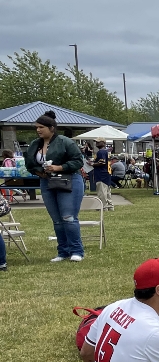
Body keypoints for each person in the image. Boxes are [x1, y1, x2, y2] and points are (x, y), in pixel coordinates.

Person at [25, 110, 85, 262]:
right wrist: (39, 172)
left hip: (69, 180)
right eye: (36, 127)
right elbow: (30, 164)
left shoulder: (65, 142)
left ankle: (76, 251)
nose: (38, 130)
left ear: (51, 128)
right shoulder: (35, 144)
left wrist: (60, 167)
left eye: (41, 127)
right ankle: (63, 252)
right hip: (46, 182)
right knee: (57, 220)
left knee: (68, 217)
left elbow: (78, 161)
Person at [93, 140, 113, 211]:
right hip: (106, 173)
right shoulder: (106, 152)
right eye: (96, 142)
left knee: (102, 192)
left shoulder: (101, 152)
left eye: (99, 142)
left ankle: (103, 207)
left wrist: (92, 164)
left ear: (104, 143)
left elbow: (102, 162)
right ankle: (110, 206)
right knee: (107, 191)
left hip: (101, 174)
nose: (97, 143)